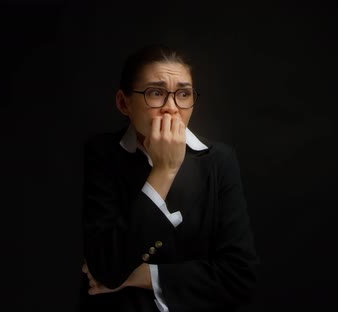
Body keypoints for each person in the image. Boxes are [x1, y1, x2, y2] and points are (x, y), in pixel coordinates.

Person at [79, 44, 259, 312]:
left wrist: (143, 276)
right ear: (123, 103)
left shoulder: (219, 161)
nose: (171, 108)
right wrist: (164, 171)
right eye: (155, 93)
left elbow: (239, 277)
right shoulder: (104, 154)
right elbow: (105, 268)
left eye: (183, 94)